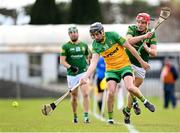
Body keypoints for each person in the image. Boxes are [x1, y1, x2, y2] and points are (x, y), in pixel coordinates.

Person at [80, 22, 155, 124]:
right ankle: (110, 118)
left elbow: (130, 47)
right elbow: (93, 63)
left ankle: (145, 102)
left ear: (102, 32)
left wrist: (142, 62)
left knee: (130, 87)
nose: (95, 37)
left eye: (97, 34)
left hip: (125, 66)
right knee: (111, 93)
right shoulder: (95, 45)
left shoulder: (113, 35)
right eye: (93, 35)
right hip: (111, 70)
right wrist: (85, 77)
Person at [124, 13, 157, 123]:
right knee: (130, 84)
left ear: (147, 23)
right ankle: (137, 103)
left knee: (133, 90)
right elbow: (128, 41)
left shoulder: (152, 34)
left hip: (141, 66)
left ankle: (127, 111)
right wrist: (143, 37)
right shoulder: (131, 29)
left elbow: (154, 53)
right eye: (138, 22)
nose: (140, 24)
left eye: (143, 22)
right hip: (127, 62)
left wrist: (147, 49)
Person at [60, 26, 91, 123]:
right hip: (71, 75)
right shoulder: (65, 46)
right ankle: (75, 116)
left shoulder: (84, 45)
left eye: (75, 32)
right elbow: (62, 61)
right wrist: (70, 67)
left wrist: (89, 64)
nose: (73, 34)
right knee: (74, 96)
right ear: (69, 35)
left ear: (78, 33)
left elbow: (89, 55)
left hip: (83, 73)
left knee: (85, 94)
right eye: (71, 32)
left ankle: (86, 117)